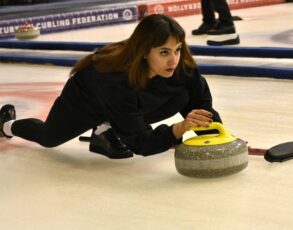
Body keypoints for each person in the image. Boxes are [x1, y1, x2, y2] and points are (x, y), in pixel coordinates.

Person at [0, 14, 222, 159]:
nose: (173, 60)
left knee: (181, 95)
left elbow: (201, 103)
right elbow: (141, 143)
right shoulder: (116, 82)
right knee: (49, 138)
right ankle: (6, 124)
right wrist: (178, 129)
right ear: (145, 51)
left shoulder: (181, 66)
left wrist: (214, 134)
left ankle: (106, 129)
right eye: (164, 52)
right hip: (87, 100)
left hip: (120, 104)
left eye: (178, 49)